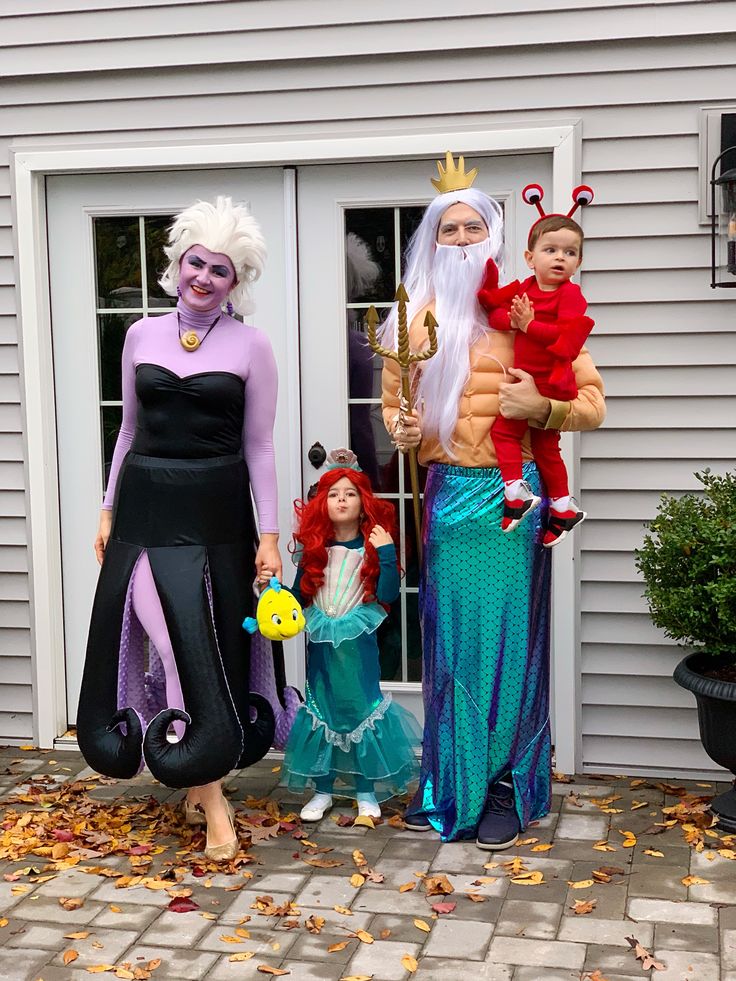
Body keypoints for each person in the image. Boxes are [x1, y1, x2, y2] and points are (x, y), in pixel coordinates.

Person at [379, 153, 605, 849]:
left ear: (496, 236)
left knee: (508, 641)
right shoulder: (411, 320)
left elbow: (590, 404)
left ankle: (506, 783)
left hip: (511, 499)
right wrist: (405, 430)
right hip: (446, 494)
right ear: (432, 239)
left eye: (473, 226)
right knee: (452, 644)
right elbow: (396, 411)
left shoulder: (530, 308)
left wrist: (542, 404)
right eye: (449, 229)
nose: (461, 239)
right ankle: (452, 784)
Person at [78, 197, 282, 862]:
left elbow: (260, 447)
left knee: (210, 644)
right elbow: (129, 429)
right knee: (170, 643)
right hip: (144, 511)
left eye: (219, 269)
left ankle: (199, 775)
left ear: (236, 280)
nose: (203, 276)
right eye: (196, 261)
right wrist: (107, 507)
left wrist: (271, 534)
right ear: (178, 263)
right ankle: (213, 797)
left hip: (217, 515)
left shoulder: (253, 345)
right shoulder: (139, 335)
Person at [280, 449, 421, 821]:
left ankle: (364, 789)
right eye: (333, 494)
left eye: (350, 493)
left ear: (363, 504)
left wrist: (387, 554)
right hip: (322, 643)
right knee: (322, 708)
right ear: (322, 504)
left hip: (358, 643)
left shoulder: (371, 547)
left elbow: (388, 595)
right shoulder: (315, 550)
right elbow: (297, 598)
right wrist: (272, 597)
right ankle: (323, 789)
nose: (341, 499)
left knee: (360, 710)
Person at [477, 185, 595, 546]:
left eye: (569, 252)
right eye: (551, 250)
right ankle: (562, 506)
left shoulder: (570, 294)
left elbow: (567, 335)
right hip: (533, 376)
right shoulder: (525, 289)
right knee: (546, 448)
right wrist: (512, 320)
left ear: (578, 262)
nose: (560, 258)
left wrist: (529, 325)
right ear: (530, 258)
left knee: (504, 431)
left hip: (547, 381)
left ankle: (515, 489)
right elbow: (499, 314)